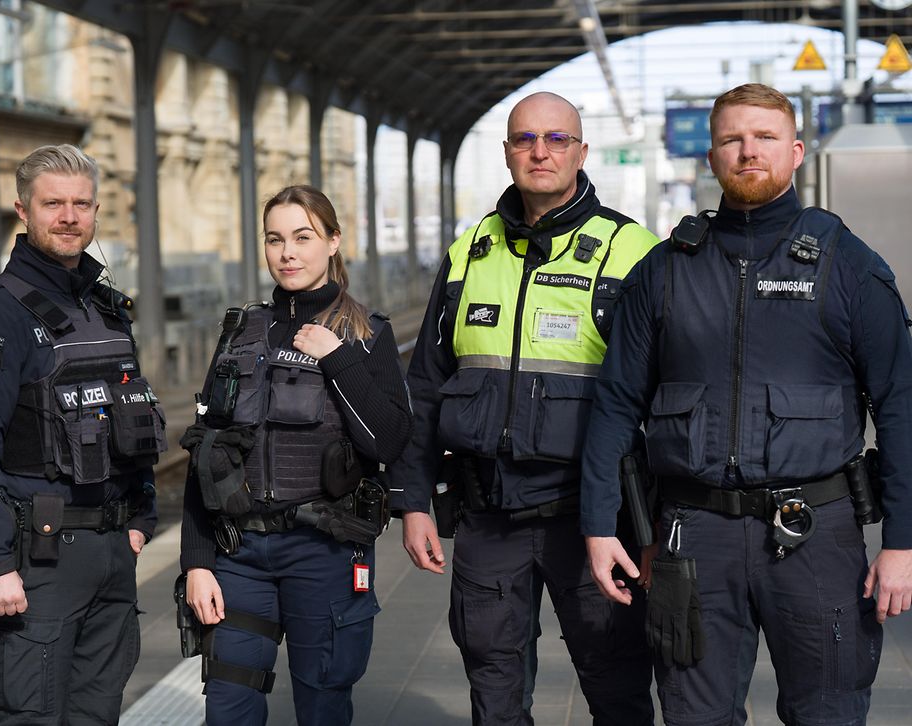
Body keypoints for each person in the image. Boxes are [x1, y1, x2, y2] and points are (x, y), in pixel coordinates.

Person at [583, 83, 912, 726]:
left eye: (764, 138)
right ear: (711, 157)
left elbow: (901, 407)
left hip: (815, 530)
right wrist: (599, 527)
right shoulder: (666, 270)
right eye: (732, 139)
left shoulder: (848, 266)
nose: (748, 151)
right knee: (694, 715)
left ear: (795, 152)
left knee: (828, 713)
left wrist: (902, 542)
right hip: (694, 535)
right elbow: (617, 405)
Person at [391, 91, 659, 725]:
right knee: (494, 686)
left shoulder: (633, 251)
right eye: (526, 139)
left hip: (594, 518)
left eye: (557, 138)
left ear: (581, 151)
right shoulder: (467, 253)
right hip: (488, 515)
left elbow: (663, 395)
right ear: (507, 153)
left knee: (616, 683)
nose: (541, 151)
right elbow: (426, 386)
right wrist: (411, 502)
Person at [0, 144, 163, 724]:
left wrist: (140, 522)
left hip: (112, 555)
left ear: (95, 211)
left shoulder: (108, 310)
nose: (69, 216)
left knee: (97, 715)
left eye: (81, 204)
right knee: (30, 716)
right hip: (37, 563)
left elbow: (130, 413)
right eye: (53, 204)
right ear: (23, 210)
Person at [180, 185, 412, 726]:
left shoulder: (366, 334)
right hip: (239, 556)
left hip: (325, 554)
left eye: (303, 237)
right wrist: (196, 561)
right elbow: (206, 450)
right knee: (229, 709)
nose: (288, 252)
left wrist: (339, 360)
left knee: (323, 704)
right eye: (275, 239)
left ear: (333, 241)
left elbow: (388, 441)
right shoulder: (240, 331)